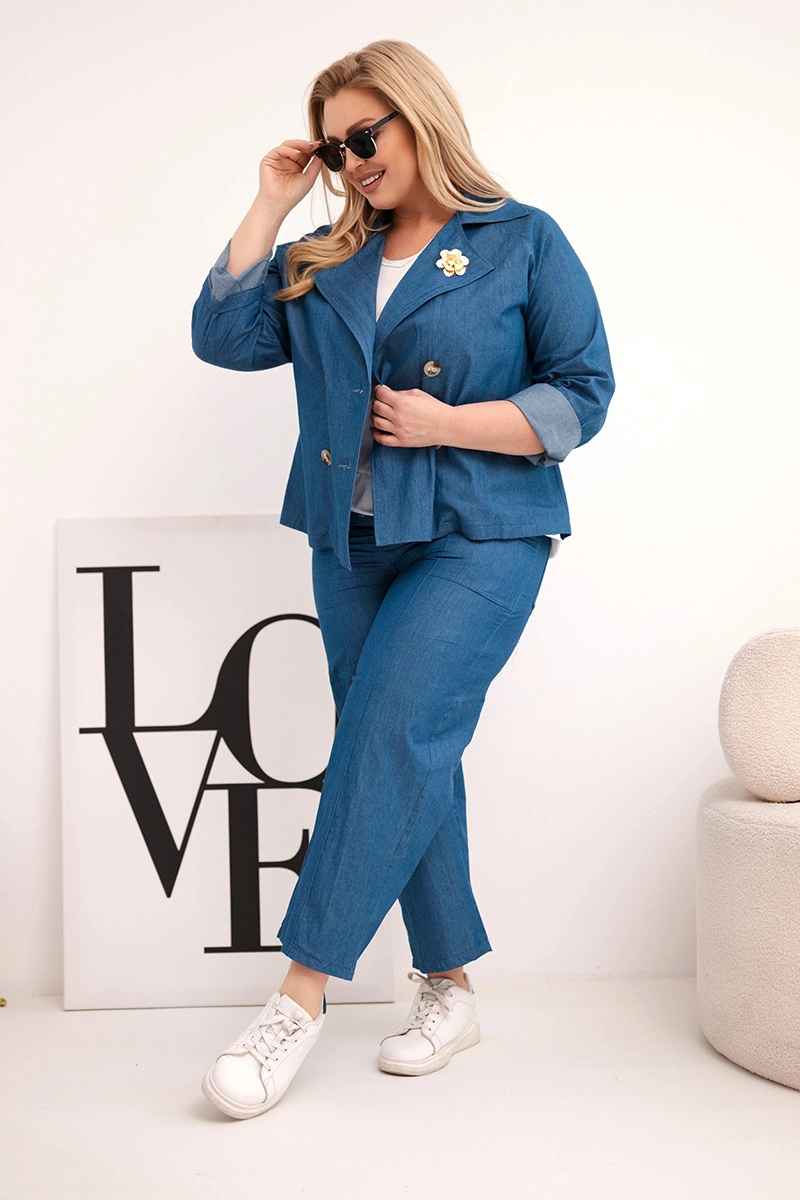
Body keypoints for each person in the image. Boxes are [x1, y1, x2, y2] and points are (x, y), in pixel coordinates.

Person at [191, 38, 615, 1119]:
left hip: (481, 532)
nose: (351, 160)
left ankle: (297, 998)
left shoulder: (519, 239)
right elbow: (222, 337)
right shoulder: (325, 255)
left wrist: (446, 424)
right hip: (351, 542)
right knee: (410, 749)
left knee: (387, 735)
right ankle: (449, 988)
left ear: (418, 114)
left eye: (364, 135)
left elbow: (584, 391)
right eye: (334, 147)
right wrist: (271, 199)